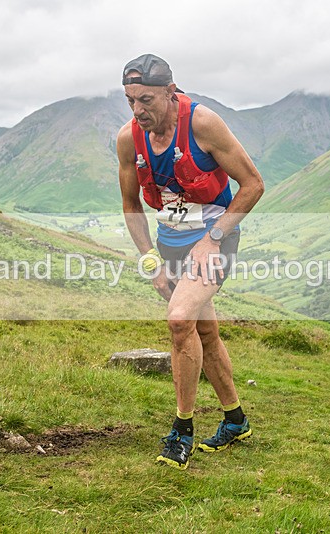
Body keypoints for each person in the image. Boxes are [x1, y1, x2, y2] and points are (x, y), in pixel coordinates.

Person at [116, 54, 264, 469]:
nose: (138, 110)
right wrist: (150, 261)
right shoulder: (128, 139)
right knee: (206, 331)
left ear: (170, 91)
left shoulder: (202, 124)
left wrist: (214, 239)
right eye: (130, 101)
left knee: (180, 320)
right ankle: (235, 420)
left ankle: (181, 431)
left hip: (215, 238)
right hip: (170, 245)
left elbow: (253, 184)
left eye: (146, 99)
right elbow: (131, 205)